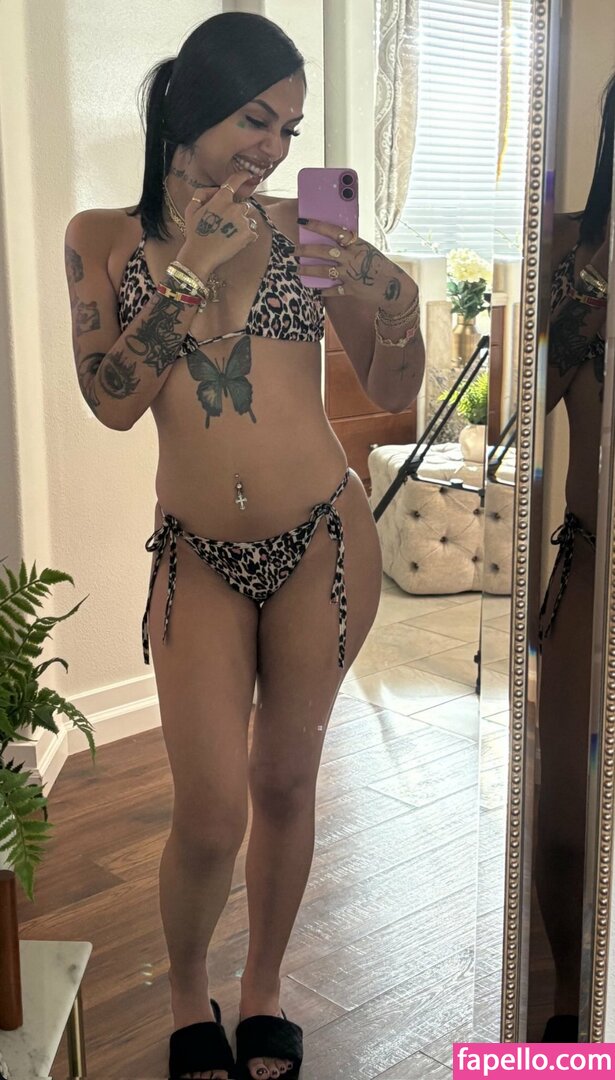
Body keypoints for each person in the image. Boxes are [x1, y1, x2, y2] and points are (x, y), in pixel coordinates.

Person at [63, 13, 424, 1080]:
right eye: (256, 120)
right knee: (212, 813)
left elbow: (391, 386)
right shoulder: (102, 237)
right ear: (192, 107)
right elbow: (113, 403)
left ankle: (263, 988)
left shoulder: (309, 222)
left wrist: (391, 299)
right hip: (198, 558)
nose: (273, 147)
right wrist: (191, 269)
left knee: (286, 784)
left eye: (290, 128)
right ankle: (189, 998)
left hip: (323, 541)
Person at [535, 71, 614, 1043]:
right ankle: (563, 1005)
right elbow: (520, 411)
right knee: (561, 818)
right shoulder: (569, 249)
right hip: (588, 567)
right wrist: (579, 300)